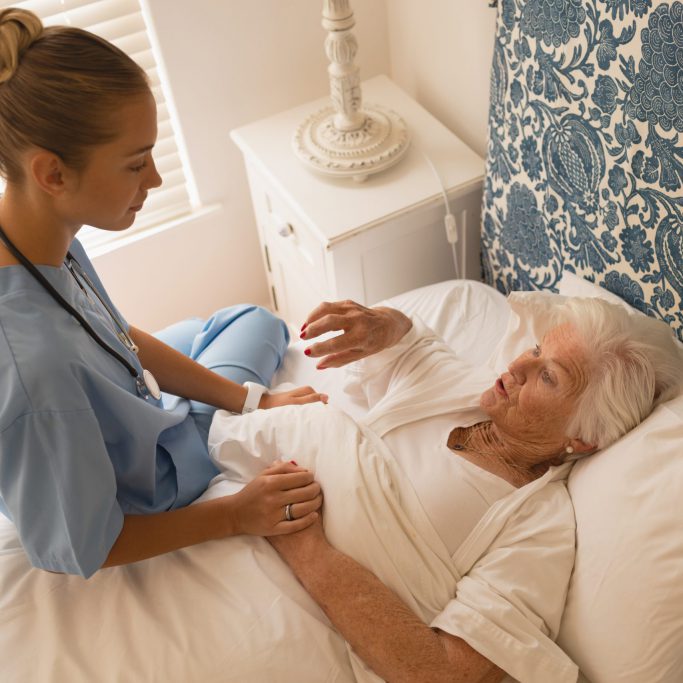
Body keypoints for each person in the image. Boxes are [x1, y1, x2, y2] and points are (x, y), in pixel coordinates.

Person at [0, 8, 325, 580]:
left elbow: (113, 333)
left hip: (118, 393)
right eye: (135, 163)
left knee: (251, 318)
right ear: (52, 173)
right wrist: (234, 515)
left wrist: (253, 401)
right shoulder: (37, 372)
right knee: (262, 327)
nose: (153, 179)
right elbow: (88, 546)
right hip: (150, 478)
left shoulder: (34, 234)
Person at [206, 295, 683, 682]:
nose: (517, 366)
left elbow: (446, 674)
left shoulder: (539, 529)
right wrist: (381, 323)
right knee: (242, 323)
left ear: (582, 438)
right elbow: (412, 343)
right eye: (536, 349)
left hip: (271, 606)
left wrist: (302, 541)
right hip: (221, 512)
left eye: (549, 376)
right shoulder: (468, 390)